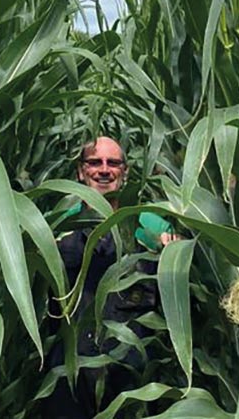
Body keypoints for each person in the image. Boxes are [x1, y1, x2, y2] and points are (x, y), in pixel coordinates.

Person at [40, 136, 177, 418]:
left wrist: (173, 249)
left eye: (113, 163)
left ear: (125, 173)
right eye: (95, 162)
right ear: (80, 171)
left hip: (130, 377)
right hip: (69, 374)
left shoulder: (151, 225)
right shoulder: (57, 223)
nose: (104, 170)